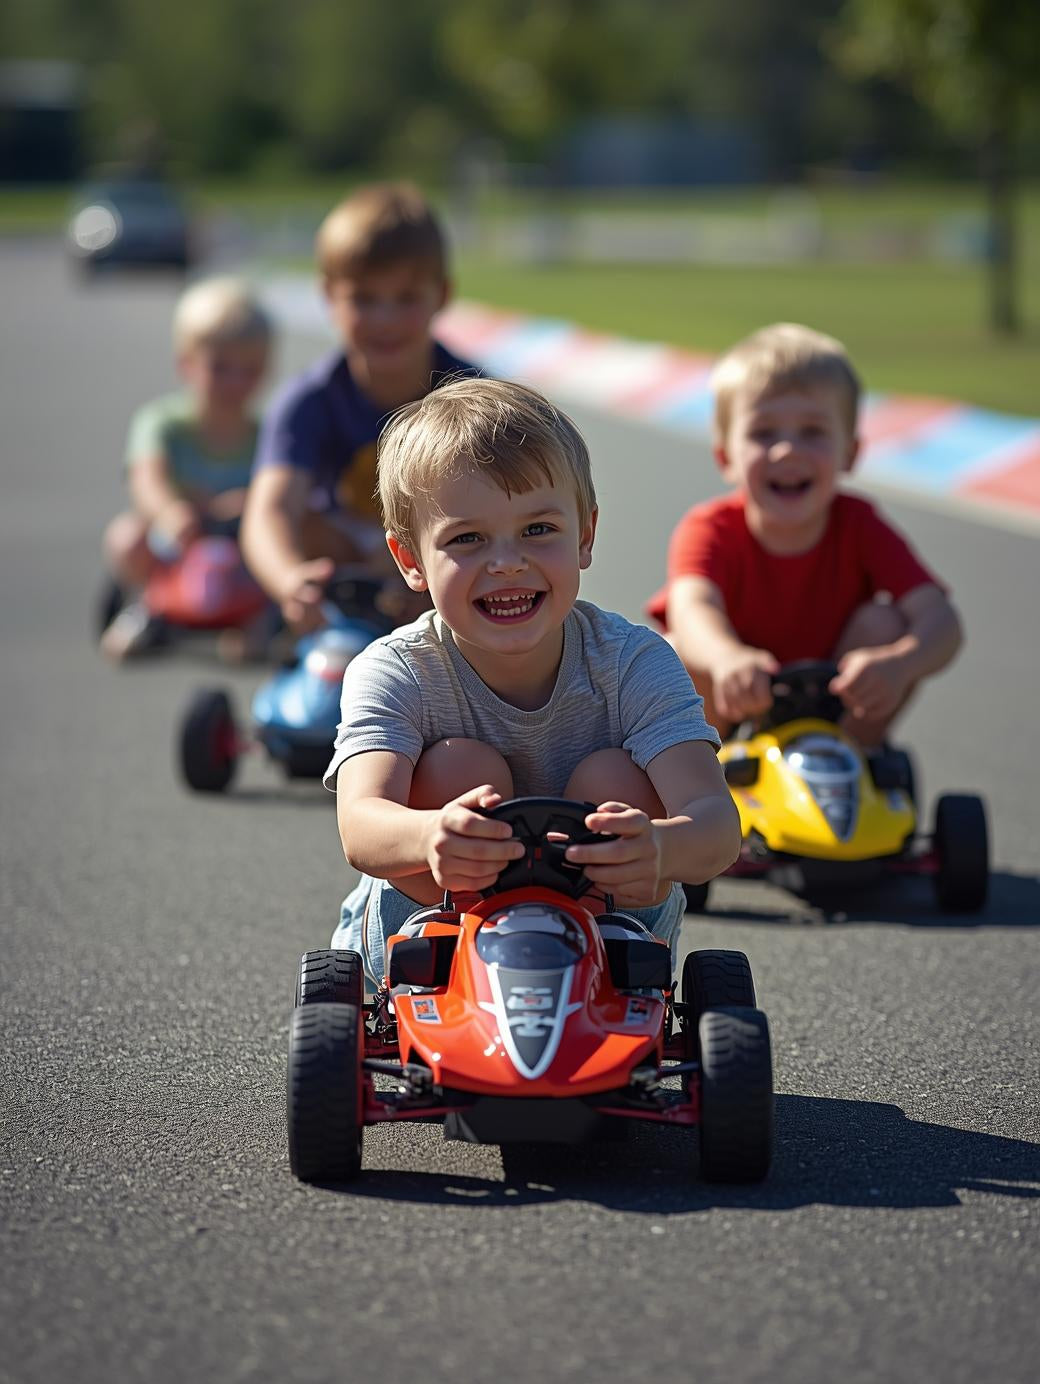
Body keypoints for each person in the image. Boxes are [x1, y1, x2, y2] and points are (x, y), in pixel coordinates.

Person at [323, 377, 741, 987]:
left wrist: (659, 846)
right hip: (433, 931)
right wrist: (431, 833)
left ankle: (611, 971)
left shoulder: (633, 662)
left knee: (616, 780)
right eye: (467, 539)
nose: (508, 561)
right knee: (458, 770)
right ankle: (420, 973)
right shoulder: (397, 669)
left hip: (601, 931)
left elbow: (716, 824)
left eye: (538, 530)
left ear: (586, 535)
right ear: (410, 559)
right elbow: (360, 823)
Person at [646, 322, 963, 746]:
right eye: (763, 433)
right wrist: (727, 659)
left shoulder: (860, 525)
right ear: (726, 457)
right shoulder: (710, 528)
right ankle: (698, 766)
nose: (787, 450)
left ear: (850, 453)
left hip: (833, 703)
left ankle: (854, 758)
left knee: (885, 623)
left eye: (812, 432)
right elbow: (692, 606)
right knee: (677, 647)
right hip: (735, 700)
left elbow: (941, 620)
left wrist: (898, 663)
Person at [241, 181, 476, 633]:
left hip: (442, 575)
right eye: (364, 299)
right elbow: (268, 510)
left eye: (406, 298)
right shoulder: (308, 402)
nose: (385, 320)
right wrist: (291, 579)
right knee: (305, 524)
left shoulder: (472, 395)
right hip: (344, 583)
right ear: (329, 296)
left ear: (442, 296)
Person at [100, 275, 273, 658]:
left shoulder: (265, 433)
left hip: (238, 549)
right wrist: (169, 511)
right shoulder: (163, 422)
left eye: (250, 370)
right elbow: (147, 478)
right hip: (178, 544)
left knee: (276, 540)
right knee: (126, 537)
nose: (235, 382)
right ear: (188, 364)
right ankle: (148, 607)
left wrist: (251, 504)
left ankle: (252, 621)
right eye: (221, 367)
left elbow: (277, 488)